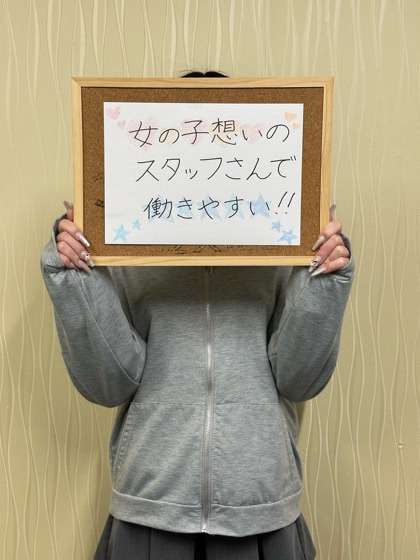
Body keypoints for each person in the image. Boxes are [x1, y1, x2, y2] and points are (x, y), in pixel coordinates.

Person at [39, 69, 355, 559]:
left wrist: (325, 276)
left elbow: (299, 379)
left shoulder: (285, 236)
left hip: (261, 505)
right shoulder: (124, 240)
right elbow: (108, 384)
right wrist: (76, 273)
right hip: (150, 504)